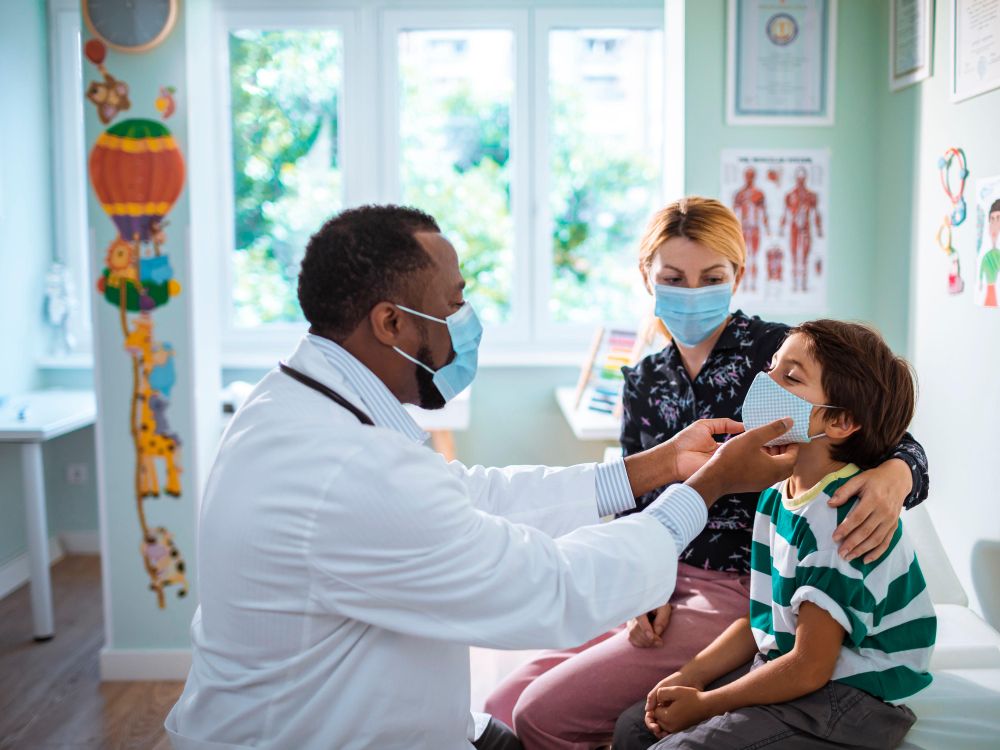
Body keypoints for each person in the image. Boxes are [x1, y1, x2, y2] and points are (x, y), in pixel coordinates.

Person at [163, 205, 800, 750]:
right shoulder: (346, 470)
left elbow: (472, 494)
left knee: (522, 718)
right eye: (456, 302)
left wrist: (658, 467)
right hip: (316, 733)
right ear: (392, 324)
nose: (468, 320)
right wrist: (705, 488)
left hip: (363, 716)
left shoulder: (297, 406)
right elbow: (554, 590)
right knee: (522, 710)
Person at [484, 197, 929, 750]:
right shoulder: (645, 378)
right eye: (673, 277)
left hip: (745, 584)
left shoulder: (779, 352)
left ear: (737, 276)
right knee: (500, 706)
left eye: (711, 277)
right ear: (647, 278)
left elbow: (884, 433)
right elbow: (635, 497)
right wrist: (644, 577)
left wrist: (896, 477)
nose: (692, 293)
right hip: (664, 573)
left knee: (541, 714)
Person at [614, 319, 934, 749]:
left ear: (839, 421)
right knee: (634, 728)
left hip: (851, 697)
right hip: (795, 663)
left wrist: (706, 704)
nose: (764, 381)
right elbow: (763, 620)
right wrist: (692, 675)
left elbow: (810, 666)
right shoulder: (776, 496)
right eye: (771, 366)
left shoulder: (839, 517)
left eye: (791, 376)